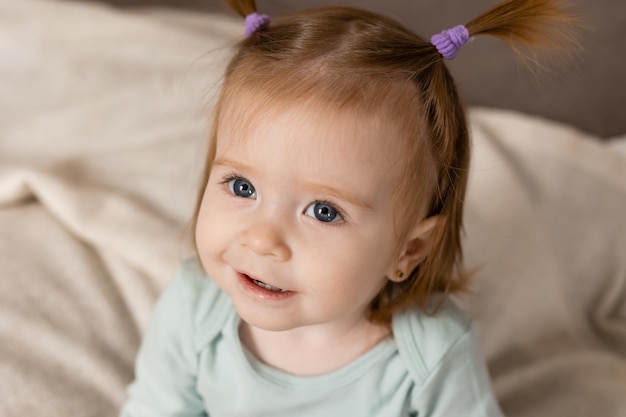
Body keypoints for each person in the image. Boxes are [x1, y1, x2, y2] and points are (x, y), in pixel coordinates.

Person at [119, 0, 577, 415]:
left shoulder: (428, 359)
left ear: (408, 250)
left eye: (323, 211)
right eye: (241, 187)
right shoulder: (195, 309)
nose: (261, 239)